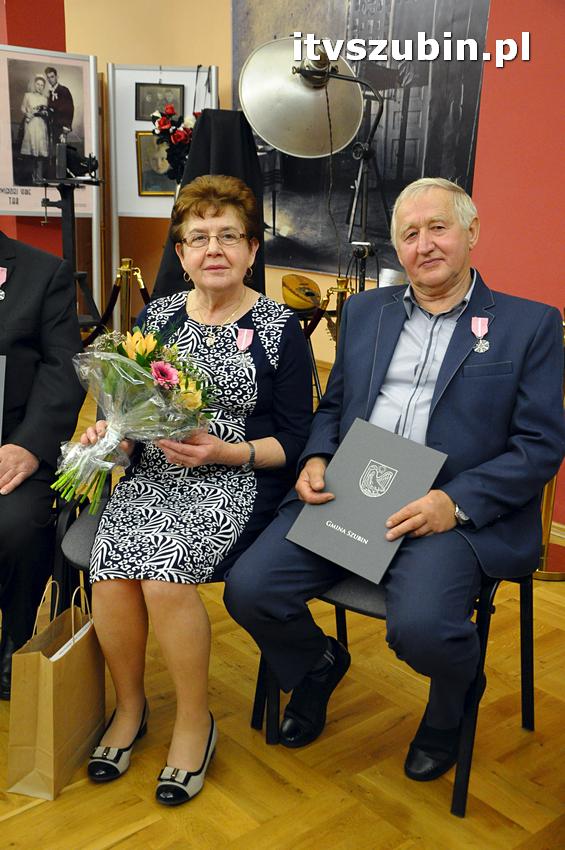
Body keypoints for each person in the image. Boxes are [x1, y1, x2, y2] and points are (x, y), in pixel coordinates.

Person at [224, 177, 565, 782]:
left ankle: (450, 702)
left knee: (425, 632)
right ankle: (316, 666)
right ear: (396, 248)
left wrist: (452, 502)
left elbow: (540, 446)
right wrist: (317, 458)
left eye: (438, 228)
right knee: (251, 589)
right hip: (353, 489)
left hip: (447, 511)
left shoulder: (529, 325)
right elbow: (333, 407)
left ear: (472, 232)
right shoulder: (364, 312)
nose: (424, 245)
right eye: (409, 234)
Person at [81, 175, 312, 805]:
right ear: (180, 254)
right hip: (156, 475)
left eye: (229, 236)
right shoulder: (156, 316)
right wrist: (113, 435)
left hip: (241, 478)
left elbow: (298, 440)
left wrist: (226, 450)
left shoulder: (279, 327)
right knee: (107, 570)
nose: (214, 249)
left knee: (161, 574)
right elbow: (133, 410)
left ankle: (194, 722)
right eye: (199, 237)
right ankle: (131, 710)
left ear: (252, 250)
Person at [0, 232, 84, 700]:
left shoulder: (41, 272)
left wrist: (28, 446)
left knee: (16, 525)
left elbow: (63, 367)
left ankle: (14, 637)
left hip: (13, 449)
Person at [20, 74, 49, 182]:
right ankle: (31, 177)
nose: (39, 86)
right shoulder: (27, 95)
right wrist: (27, 113)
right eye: (38, 84)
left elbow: (46, 111)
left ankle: (39, 177)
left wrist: (44, 112)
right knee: (32, 152)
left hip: (41, 124)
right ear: (34, 84)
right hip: (31, 124)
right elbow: (23, 107)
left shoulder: (45, 98)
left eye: (42, 85)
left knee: (40, 152)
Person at [44, 65, 74, 169]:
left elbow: (69, 108)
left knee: (61, 151)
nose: (50, 79)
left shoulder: (64, 90)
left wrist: (67, 126)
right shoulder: (48, 92)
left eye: (52, 77)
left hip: (61, 127)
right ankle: (53, 174)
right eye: (48, 77)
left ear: (57, 77)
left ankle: (63, 177)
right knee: (52, 151)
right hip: (51, 126)